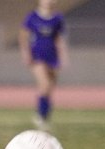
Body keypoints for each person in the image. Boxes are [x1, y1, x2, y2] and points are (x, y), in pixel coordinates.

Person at [19, 0, 68, 130]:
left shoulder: (57, 18)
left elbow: (59, 38)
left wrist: (63, 56)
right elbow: (23, 36)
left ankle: (45, 115)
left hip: (52, 56)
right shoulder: (32, 17)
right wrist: (26, 53)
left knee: (50, 87)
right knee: (44, 84)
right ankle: (40, 115)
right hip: (37, 56)